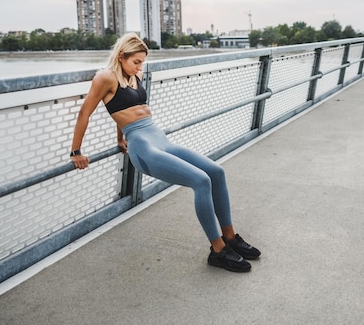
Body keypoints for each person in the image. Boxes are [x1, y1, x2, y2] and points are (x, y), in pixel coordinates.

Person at [70, 33, 260, 272]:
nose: (141, 67)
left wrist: (119, 138)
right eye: (136, 61)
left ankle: (230, 237)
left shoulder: (135, 76)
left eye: (142, 61)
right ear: (121, 56)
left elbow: (125, 107)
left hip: (161, 140)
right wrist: (76, 151)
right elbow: (84, 113)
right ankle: (218, 250)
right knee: (201, 181)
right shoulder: (104, 78)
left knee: (216, 172)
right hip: (144, 148)